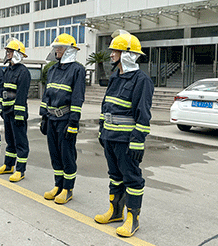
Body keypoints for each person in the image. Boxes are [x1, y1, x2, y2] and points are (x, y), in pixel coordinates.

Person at [94, 31, 154, 237]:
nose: (111, 54)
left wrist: (138, 142)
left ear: (127, 54)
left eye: (115, 51)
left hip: (127, 141)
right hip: (110, 138)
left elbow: (143, 115)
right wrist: (102, 129)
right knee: (115, 177)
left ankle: (132, 218)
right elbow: (107, 105)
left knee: (132, 179)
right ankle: (116, 212)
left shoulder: (141, 80)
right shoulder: (115, 76)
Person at [40, 33, 85, 204]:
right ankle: (58, 185)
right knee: (55, 155)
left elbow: (77, 97)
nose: (56, 50)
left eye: (59, 47)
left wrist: (73, 123)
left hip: (66, 119)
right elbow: (46, 94)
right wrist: (43, 116)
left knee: (67, 155)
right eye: (56, 47)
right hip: (52, 119)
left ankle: (68, 189)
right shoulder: (52, 69)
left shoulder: (77, 70)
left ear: (68, 50)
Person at [0, 39, 31, 182]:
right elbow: (4, 91)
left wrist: (19, 114)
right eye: (7, 51)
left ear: (17, 53)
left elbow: (21, 96)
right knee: (9, 140)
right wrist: (2, 108)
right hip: (7, 111)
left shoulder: (23, 72)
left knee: (20, 142)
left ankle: (20, 170)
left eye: (10, 51)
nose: (8, 54)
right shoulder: (8, 70)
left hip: (17, 113)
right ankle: (8, 166)